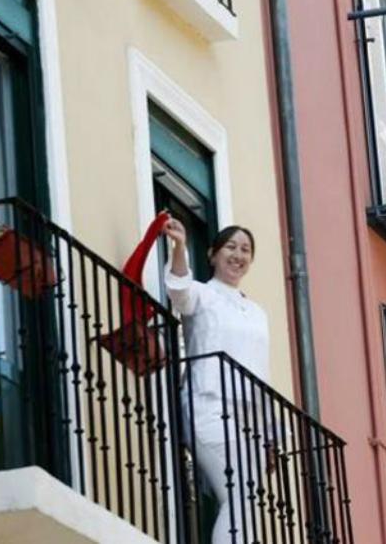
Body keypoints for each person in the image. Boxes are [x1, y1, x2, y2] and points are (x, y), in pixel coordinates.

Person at [163, 218, 272, 544]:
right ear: (212, 254)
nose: (238, 255)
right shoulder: (203, 294)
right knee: (242, 493)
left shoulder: (256, 311)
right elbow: (178, 292)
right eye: (231, 247)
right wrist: (180, 246)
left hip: (247, 419)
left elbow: (261, 371)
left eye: (246, 250)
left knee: (244, 501)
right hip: (207, 404)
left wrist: (269, 436)